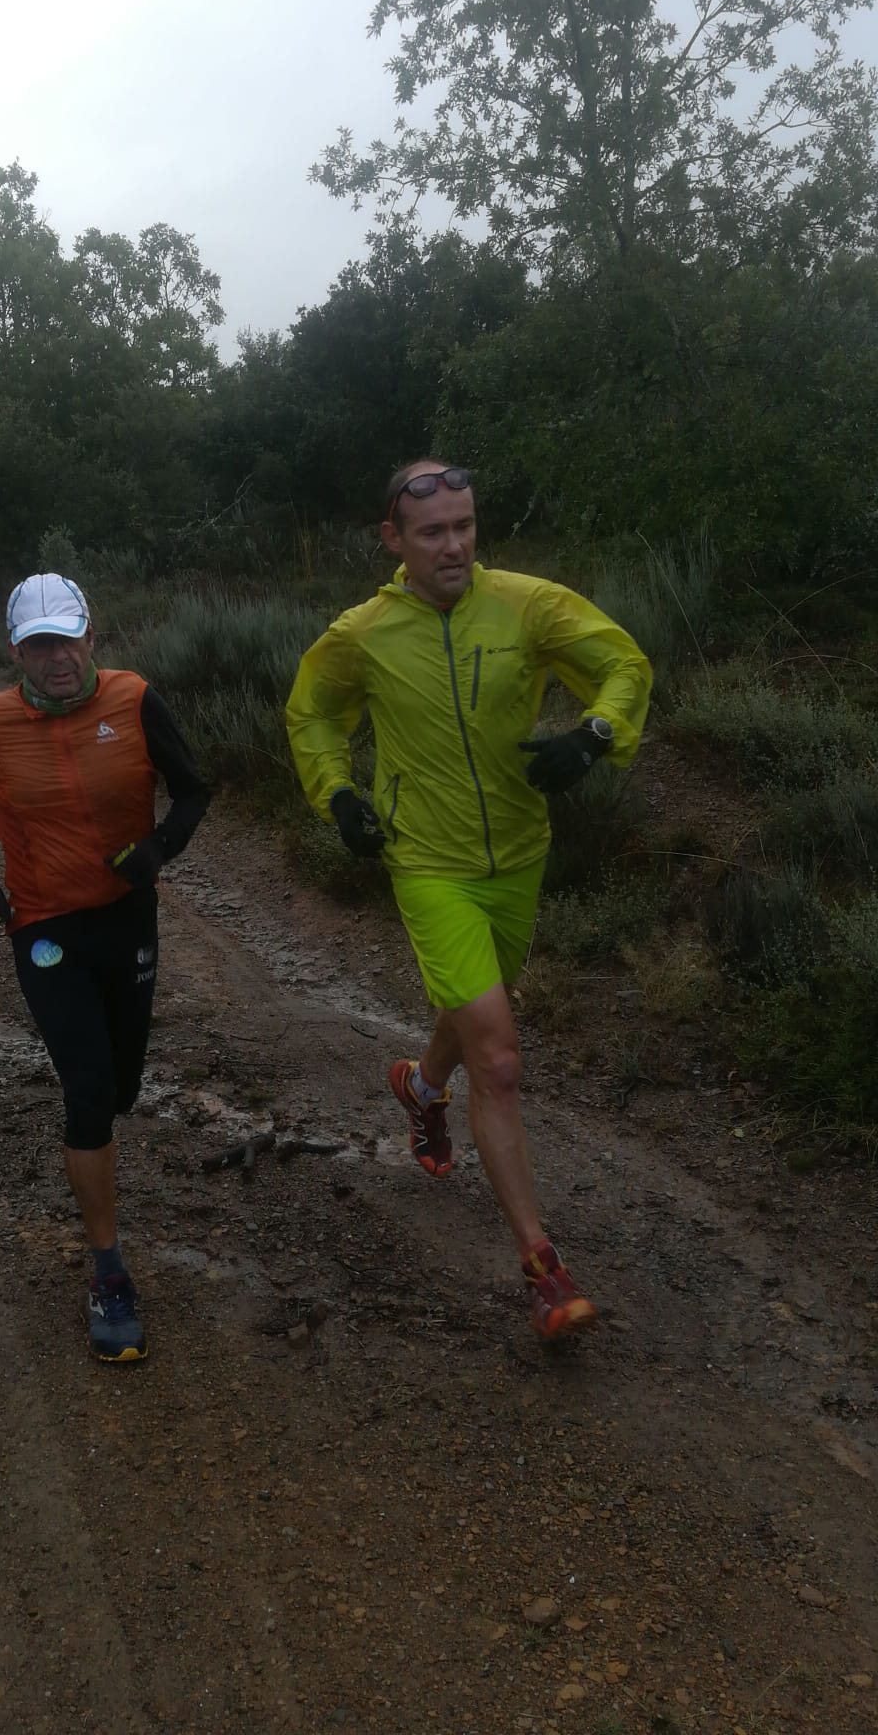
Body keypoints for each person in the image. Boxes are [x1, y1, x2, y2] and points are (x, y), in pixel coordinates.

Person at [286, 463, 651, 1339]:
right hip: (427, 862)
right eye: (433, 532)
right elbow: (312, 716)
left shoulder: (531, 605)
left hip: (520, 855)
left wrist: (595, 735)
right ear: (394, 541)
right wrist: (337, 793)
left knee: (478, 1003)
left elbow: (624, 665)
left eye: (465, 526)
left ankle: (420, 1084)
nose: (453, 545)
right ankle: (542, 1268)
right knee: (501, 1057)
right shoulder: (363, 633)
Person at [0, 573, 211, 1363]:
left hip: (127, 915)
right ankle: (108, 1271)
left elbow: (195, 788)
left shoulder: (134, 701)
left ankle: (104, 1141)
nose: (56, 658)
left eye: (66, 638)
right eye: (38, 645)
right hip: (44, 926)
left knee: (124, 1084)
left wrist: (159, 848)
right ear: (15, 651)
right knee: (89, 1090)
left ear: (91, 634)